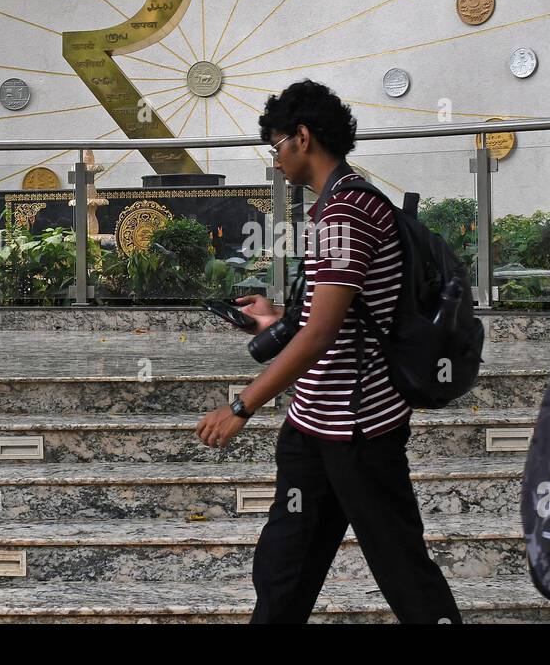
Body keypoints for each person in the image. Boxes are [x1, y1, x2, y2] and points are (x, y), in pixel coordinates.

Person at [192, 79, 462, 624]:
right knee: (283, 573)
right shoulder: (337, 207)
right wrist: (270, 319)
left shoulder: (345, 214)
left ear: (303, 137)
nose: (276, 160)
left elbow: (319, 335)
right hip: (316, 425)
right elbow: (324, 320)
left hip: (357, 429)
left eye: (276, 145)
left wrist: (241, 406)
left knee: (404, 572)